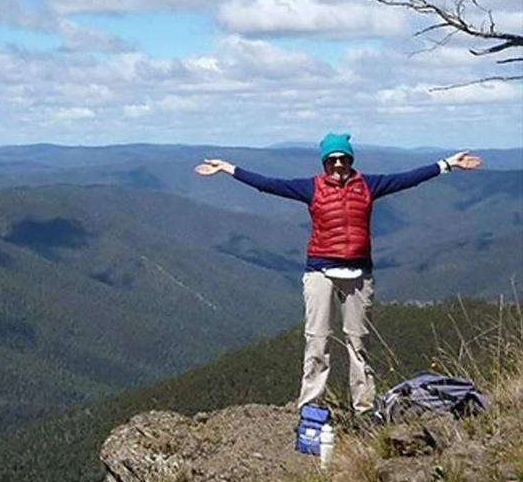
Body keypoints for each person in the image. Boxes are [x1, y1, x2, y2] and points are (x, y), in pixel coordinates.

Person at [194, 133, 482, 417]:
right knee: (317, 340)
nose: (338, 164)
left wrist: (447, 164)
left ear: (350, 159)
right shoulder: (312, 188)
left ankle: (365, 408)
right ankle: (309, 406)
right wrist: (228, 168)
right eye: (332, 160)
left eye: (343, 158)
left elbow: (408, 178)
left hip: (359, 273)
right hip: (321, 271)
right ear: (324, 163)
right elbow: (269, 185)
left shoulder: (368, 185)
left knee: (359, 342)